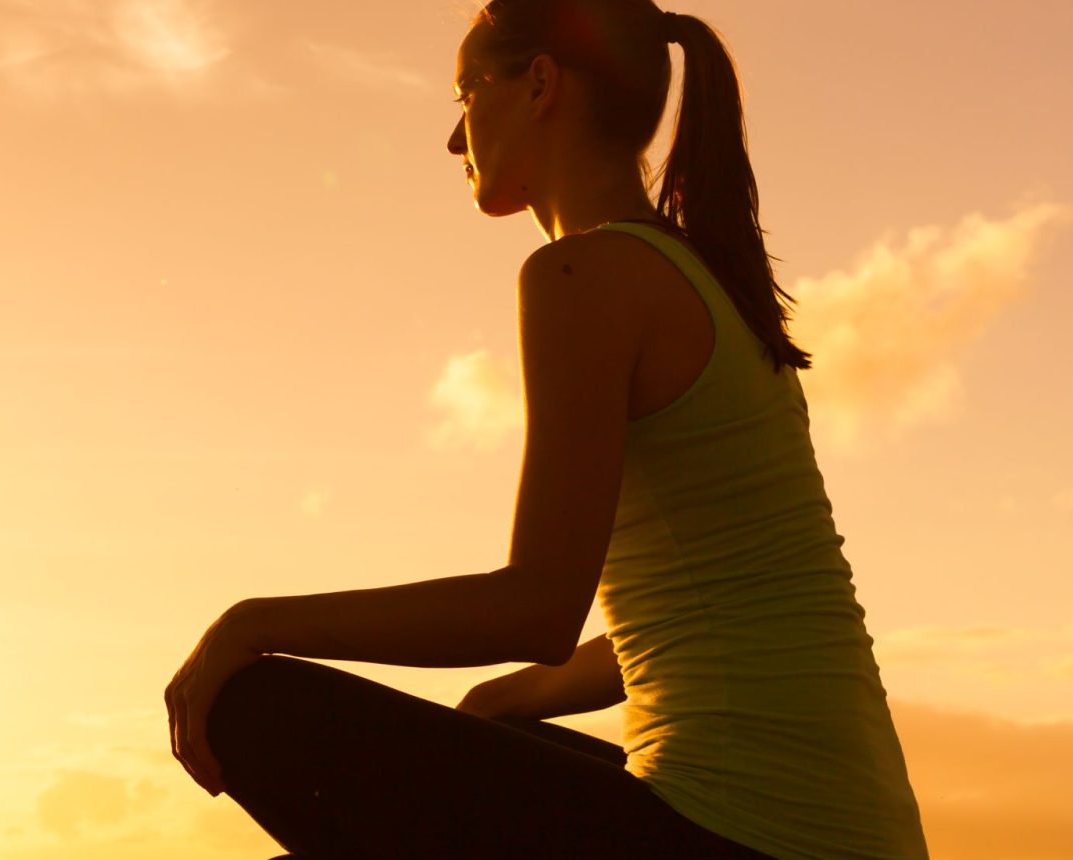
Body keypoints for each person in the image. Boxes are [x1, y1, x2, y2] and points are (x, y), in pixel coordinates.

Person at [161, 1, 932, 857]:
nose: (456, 141)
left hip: (746, 836)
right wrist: (512, 700)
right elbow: (690, 618)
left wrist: (251, 623)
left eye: (464, 95)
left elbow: (535, 607)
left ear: (537, 84)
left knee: (258, 709)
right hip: (852, 833)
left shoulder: (584, 274)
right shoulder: (706, 281)